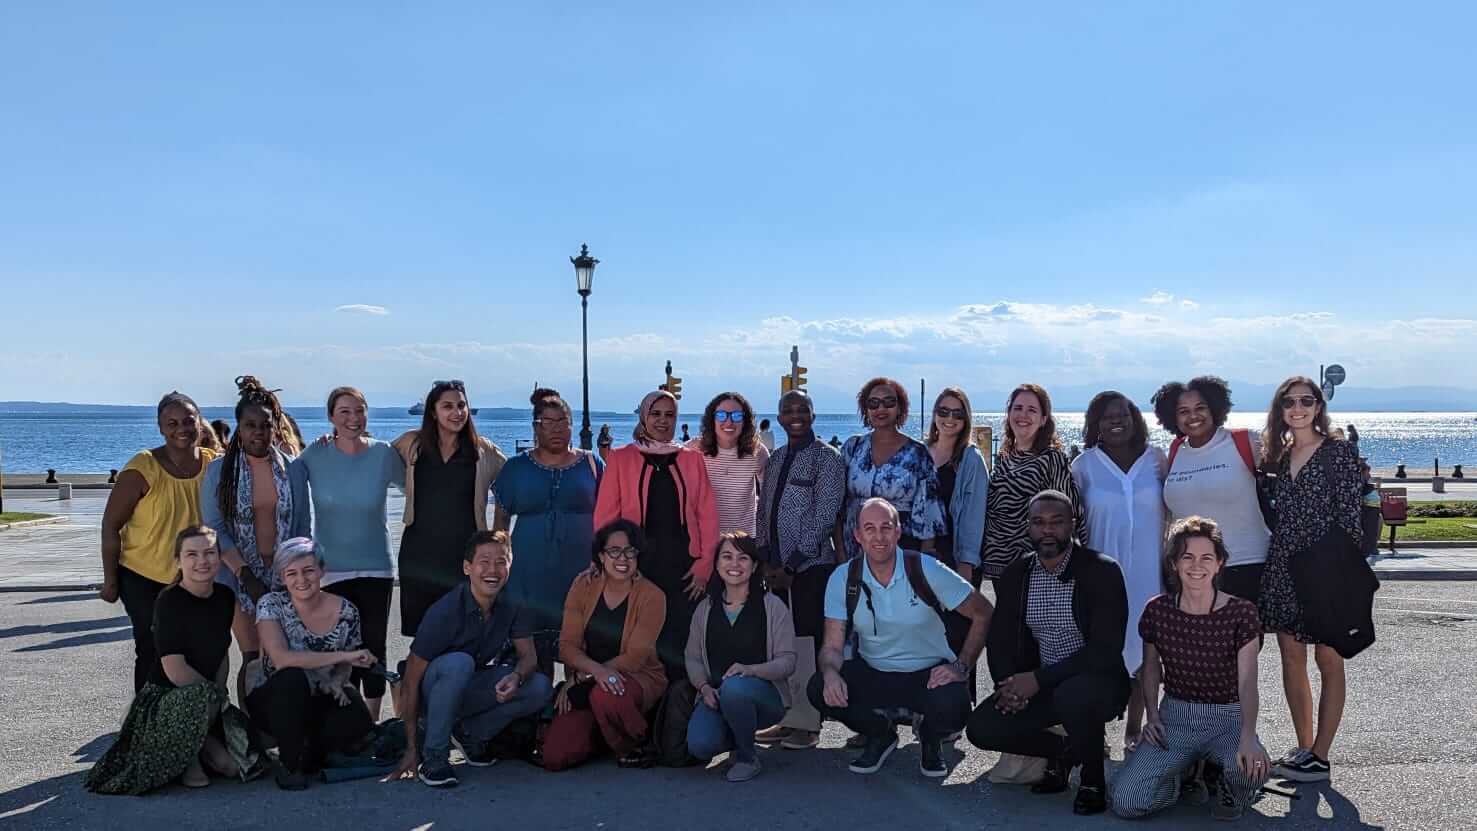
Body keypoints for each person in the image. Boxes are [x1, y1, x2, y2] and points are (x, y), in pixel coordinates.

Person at [966, 491, 1130, 816]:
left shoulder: (1102, 571)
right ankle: (1063, 752)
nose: (1047, 530)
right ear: (1028, 527)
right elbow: (1000, 638)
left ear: (1072, 524)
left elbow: (1105, 649)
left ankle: (1092, 779)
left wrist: (1037, 680)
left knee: (1074, 694)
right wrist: (1008, 685)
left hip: (1099, 683)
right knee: (982, 728)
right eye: (1038, 522)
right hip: (1041, 684)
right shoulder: (1018, 574)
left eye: (1057, 522)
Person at [810, 499, 992, 778]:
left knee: (955, 703)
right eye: (869, 528)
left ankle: (931, 737)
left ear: (898, 532)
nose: (878, 536)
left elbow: (983, 612)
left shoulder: (924, 568)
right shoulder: (843, 578)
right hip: (875, 671)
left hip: (928, 674)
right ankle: (880, 734)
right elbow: (832, 647)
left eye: (886, 527)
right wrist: (831, 671)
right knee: (819, 686)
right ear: (857, 535)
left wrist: (961, 666)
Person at [1110, 517, 1270, 820]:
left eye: (1206, 557)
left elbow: (1248, 682)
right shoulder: (1157, 610)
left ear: (1220, 563)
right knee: (1126, 802)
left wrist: (1248, 735)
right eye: (1187, 557)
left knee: (1254, 770)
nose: (1197, 566)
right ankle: (1176, 779)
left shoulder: (1241, 613)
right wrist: (1152, 717)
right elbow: (1151, 669)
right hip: (1177, 716)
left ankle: (1229, 787)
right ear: (1173, 563)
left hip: (1228, 716)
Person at [86, 526, 258, 794]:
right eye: (192, 554)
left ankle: (202, 745)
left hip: (206, 696)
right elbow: (175, 671)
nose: (202, 561)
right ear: (178, 560)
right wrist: (212, 697)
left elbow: (222, 653)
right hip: (167, 700)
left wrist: (219, 692)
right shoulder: (169, 602)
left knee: (237, 767)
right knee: (203, 774)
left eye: (209, 553)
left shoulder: (225, 597)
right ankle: (190, 757)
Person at [385, 531, 554, 788]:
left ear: (510, 565)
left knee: (539, 687)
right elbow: (410, 680)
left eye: (501, 561)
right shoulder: (445, 612)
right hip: (430, 696)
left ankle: (471, 734)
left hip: (467, 687)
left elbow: (528, 657)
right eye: (484, 561)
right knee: (458, 663)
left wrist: (515, 676)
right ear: (467, 568)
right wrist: (411, 747)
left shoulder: (513, 602)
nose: (493, 570)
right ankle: (434, 757)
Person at [1259, 377, 1363, 782]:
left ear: (1318, 407)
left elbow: (1351, 519)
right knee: (1291, 658)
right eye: (1289, 402)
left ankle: (1321, 753)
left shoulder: (1338, 452)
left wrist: (1342, 574)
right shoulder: (1280, 456)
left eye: (1306, 401)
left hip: (1328, 569)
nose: (1297, 408)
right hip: (1286, 568)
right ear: (1280, 409)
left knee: (1328, 659)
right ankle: (1303, 748)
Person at [294, 386, 405, 719]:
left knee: (373, 647)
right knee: (341, 649)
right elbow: (285, 483)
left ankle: (371, 722)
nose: (353, 418)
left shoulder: (384, 454)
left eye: (359, 411)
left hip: (376, 566)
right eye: (344, 411)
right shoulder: (314, 455)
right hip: (331, 569)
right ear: (331, 417)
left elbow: (415, 485)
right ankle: (347, 721)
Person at [594, 390, 718, 675]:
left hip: (684, 571)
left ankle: (676, 714)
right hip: (636, 567)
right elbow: (605, 518)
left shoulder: (692, 459)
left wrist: (704, 565)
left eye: (670, 415)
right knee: (637, 642)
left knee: (679, 645)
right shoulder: (621, 458)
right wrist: (610, 564)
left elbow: (708, 516)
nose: (663, 421)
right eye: (656, 414)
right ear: (643, 417)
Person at [101, 392, 217, 693]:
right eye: (172, 423)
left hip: (193, 579)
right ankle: (144, 726)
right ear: (161, 427)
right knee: (152, 649)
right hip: (143, 576)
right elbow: (111, 525)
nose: (182, 428)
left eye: (189, 421)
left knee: (192, 653)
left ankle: (183, 723)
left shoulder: (213, 464)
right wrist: (111, 581)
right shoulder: (144, 465)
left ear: (200, 423)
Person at [1071, 391, 1166, 749]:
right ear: (1095, 424)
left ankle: (1136, 727)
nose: (1116, 421)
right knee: (1102, 649)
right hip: (1103, 574)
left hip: (1149, 573)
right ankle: (1095, 730)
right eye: (1107, 416)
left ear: (1135, 418)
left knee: (1146, 653)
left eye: (1123, 414)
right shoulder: (1083, 465)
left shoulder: (1156, 460)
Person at [200, 376, 311, 681]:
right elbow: (215, 528)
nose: (258, 433)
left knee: (279, 654)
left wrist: (298, 573)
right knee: (252, 657)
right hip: (239, 575)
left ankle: (275, 725)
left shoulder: (294, 470)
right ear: (240, 427)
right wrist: (245, 574)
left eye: (265, 425)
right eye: (250, 425)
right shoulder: (219, 472)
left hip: (284, 575)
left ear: (275, 426)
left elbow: (303, 527)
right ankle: (249, 725)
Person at [753, 389, 846, 749]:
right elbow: (764, 511)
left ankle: (808, 723)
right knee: (782, 645)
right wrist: (765, 558)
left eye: (802, 409)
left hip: (810, 568)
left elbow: (824, 516)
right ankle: (786, 717)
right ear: (778, 417)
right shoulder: (775, 459)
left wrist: (793, 563)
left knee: (807, 645)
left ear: (813, 414)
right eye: (787, 410)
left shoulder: (828, 459)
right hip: (774, 569)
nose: (795, 415)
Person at [247, 538, 376, 790]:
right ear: (283, 578)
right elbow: (281, 659)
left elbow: (345, 665)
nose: (301, 579)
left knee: (358, 720)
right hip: (276, 694)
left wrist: (337, 682)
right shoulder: (271, 605)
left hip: (321, 692)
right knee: (292, 678)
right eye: (291, 573)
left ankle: (311, 750)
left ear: (321, 570)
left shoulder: (346, 611)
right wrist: (342, 657)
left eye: (308, 570)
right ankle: (290, 765)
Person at [493, 389, 604, 673]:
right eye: (548, 422)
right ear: (535, 427)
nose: (557, 429)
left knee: (580, 657)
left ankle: (573, 711)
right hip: (527, 578)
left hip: (582, 575)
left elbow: (607, 519)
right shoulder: (516, 468)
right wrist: (497, 567)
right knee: (532, 662)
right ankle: (539, 713)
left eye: (563, 421)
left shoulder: (592, 464)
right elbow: (500, 524)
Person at [543, 520, 669, 771]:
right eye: (614, 551)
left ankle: (632, 745)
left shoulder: (652, 596)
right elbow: (567, 646)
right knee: (554, 756)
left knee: (607, 692)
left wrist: (583, 677)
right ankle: (605, 732)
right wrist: (592, 672)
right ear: (601, 556)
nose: (622, 558)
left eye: (630, 551)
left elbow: (634, 658)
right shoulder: (583, 586)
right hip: (588, 680)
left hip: (635, 679)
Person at [392, 379, 508, 637]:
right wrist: (337, 439)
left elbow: (511, 486)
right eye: (448, 406)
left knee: (462, 631)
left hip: (465, 554)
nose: (457, 413)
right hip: (418, 552)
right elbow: (374, 459)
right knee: (422, 634)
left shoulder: (483, 450)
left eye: (461, 405)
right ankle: (415, 678)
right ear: (433, 411)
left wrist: (500, 534)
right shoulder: (413, 444)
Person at [685, 533, 797, 782]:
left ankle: (748, 757)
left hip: (763, 697)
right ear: (716, 564)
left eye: (742, 558)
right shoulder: (705, 608)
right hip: (715, 696)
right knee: (700, 745)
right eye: (727, 557)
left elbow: (788, 661)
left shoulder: (773, 606)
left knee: (736, 686)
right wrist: (703, 688)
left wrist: (752, 670)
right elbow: (692, 658)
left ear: (754, 565)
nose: (734, 564)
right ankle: (738, 736)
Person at [1153, 375, 1269, 605]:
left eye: (1200, 408)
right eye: (1183, 411)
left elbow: (1295, 463)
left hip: (1245, 566)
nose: (1193, 416)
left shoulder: (1245, 441)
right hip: (1191, 571)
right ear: (1172, 417)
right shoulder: (1176, 451)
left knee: (1244, 640)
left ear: (1215, 408)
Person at [981, 384, 1085, 583]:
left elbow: (1072, 514)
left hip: (1035, 566)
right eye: (1017, 408)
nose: (1023, 415)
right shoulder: (1004, 457)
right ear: (1009, 413)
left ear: (1043, 419)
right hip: (998, 565)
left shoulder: (1052, 458)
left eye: (1032, 410)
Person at [839, 377, 948, 561]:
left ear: (900, 408)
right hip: (856, 549)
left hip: (901, 550)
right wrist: (840, 554)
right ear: (866, 409)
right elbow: (839, 505)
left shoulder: (917, 453)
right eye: (873, 403)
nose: (881, 408)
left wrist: (923, 562)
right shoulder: (853, 447)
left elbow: (930, 511)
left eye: (889, 402)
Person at [924, 386, 988, 582]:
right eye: (943, 412)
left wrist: (966, 563)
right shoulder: (920, 452)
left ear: (965, 419)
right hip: (921, 556)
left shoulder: (971, 459)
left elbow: (974, 516)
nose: (950, 419)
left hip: (954, 557)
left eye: (957, 414)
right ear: (935, 415)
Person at [689, 391, 770, 535]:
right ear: (711, 419)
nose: (728, 422)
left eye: (736, 416)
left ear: (745, 421)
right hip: (705, 540)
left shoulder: (757, 452)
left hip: (744, 543)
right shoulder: (694, 449)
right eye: (721, 415)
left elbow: (770, 496)